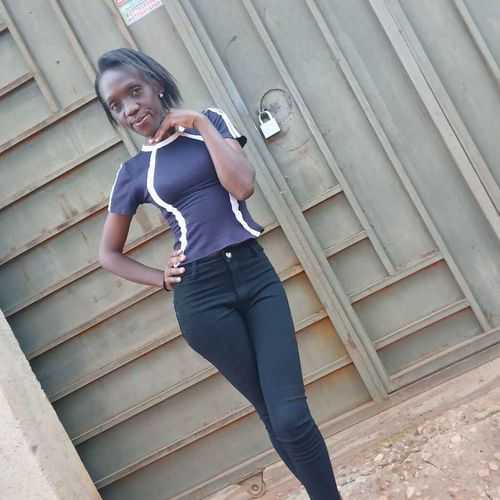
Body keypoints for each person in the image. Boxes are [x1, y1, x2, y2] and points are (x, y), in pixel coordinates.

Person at [95, 48, 342, 500]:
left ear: (156, 84)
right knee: (271, 414)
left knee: (290, 415)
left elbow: (242, 185)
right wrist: (159, 277)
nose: (129, 108)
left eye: (134, 91)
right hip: (201, 298)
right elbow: (108, 254)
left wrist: (199, 123)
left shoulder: (209, 122)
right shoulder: (133, 172)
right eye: (116, 105)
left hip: (255, 275)